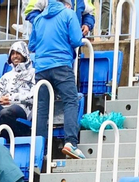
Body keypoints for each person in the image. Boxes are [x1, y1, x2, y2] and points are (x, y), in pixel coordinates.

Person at [27, 0, 84, 159]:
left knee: (41, 108)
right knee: (71, 101)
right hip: (61, 66)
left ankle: (39, 151)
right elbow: (77, 40)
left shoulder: (38, 19)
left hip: (42, 68)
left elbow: (32, 45)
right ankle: (70, 143)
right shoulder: (68, 14)